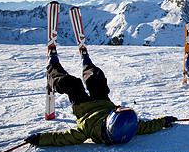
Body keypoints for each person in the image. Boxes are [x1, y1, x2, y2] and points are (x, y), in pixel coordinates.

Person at [25, 47, 177, 146]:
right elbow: (150, 126)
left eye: (116, 111)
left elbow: (63, 138)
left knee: (71, 83)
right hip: (103, 102)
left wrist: (39, 139)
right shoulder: (129, 128)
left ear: (110, 121)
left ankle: (52, 69)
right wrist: (165, 120)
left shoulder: (87, 129)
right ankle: (87, 63)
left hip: (83, 106)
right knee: (96, 78)